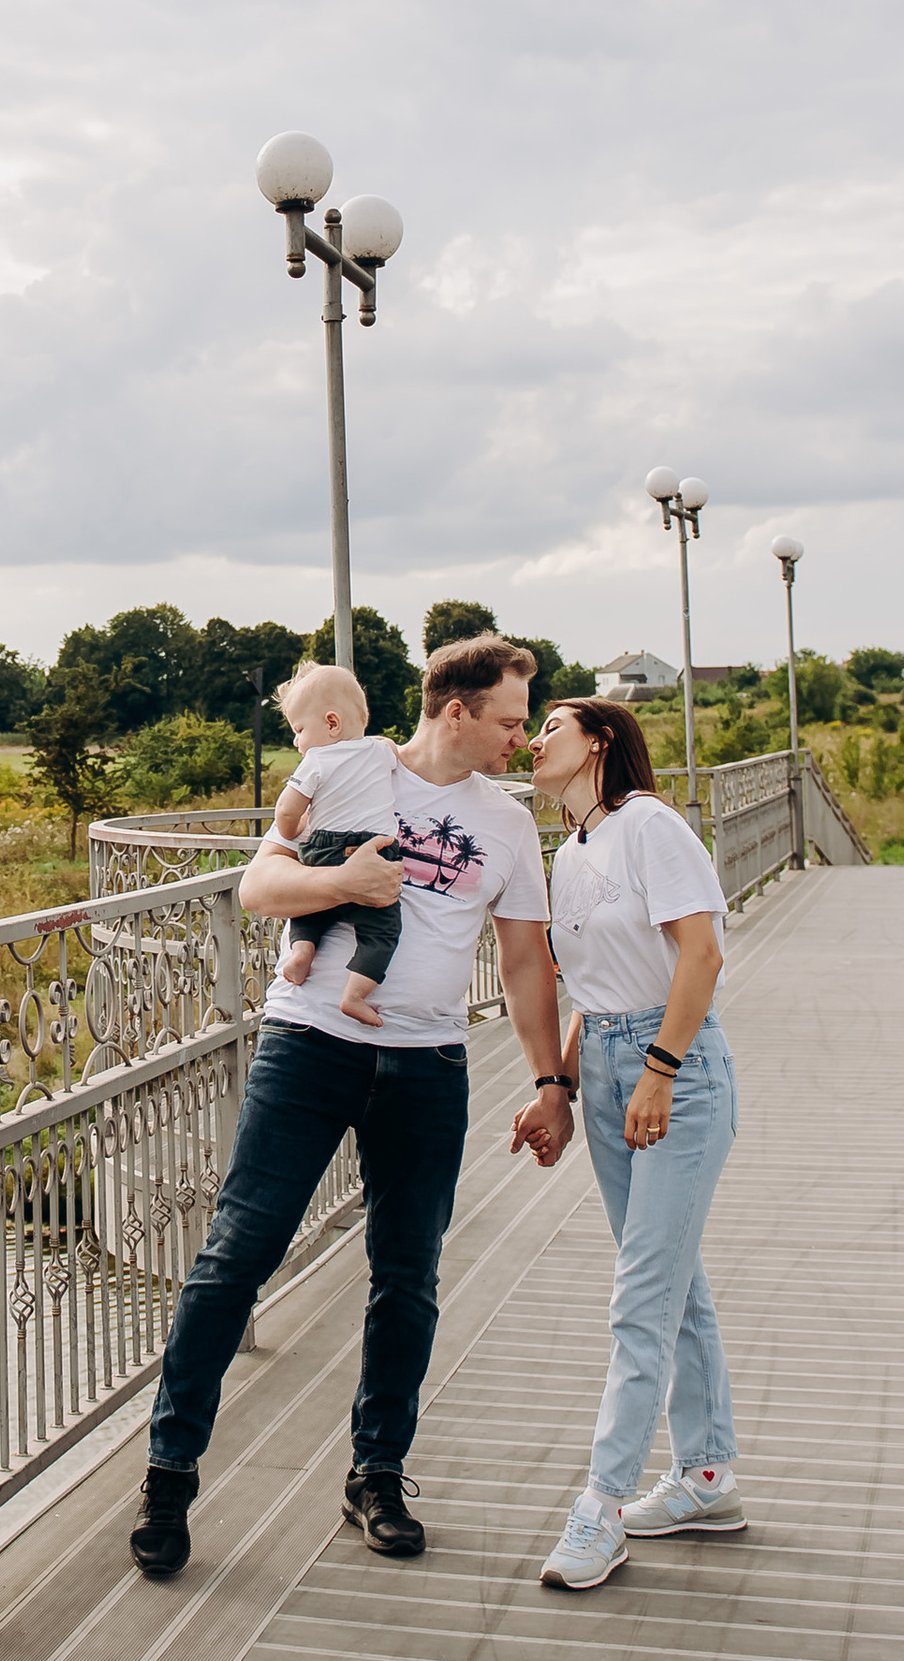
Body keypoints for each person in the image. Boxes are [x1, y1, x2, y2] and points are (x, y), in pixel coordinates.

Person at [128, 636, 572, 1579]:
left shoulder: (504, 821)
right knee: (235, 1255)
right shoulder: (347, 764)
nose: (518, 737)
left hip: (427, 1061)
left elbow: (528, 961)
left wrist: (550, 1083)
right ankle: (170, 1473)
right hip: (310, 1045)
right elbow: (258, 885)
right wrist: (344, 884)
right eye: (506, 718)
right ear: (455, 711)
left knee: (407, 1275)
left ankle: (377, 1472)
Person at [512, 694, 740, 1592]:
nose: (534, 741)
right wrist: (560, 1086)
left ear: (601, 741)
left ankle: (600, 1507)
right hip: (606, 1059)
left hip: (671, 1066)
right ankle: (708, 1474)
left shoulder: (650, 826)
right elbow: (592, 987)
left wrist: (661, 1068)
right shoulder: (567, 853)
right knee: (672, 1282)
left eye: (552, 729)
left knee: (640, 1296)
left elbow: (702, 955)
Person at [270, 660, 402, 1027]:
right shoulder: (381, 750)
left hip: (324, 849)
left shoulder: (316, 760)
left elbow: (286, 809)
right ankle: (356, 995)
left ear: (331, 723)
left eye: (298, 729)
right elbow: (396, 752)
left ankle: (301, 952)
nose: (296, 741)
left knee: (310, 908)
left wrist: (294, 828)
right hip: (375, 851)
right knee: (381, 932)